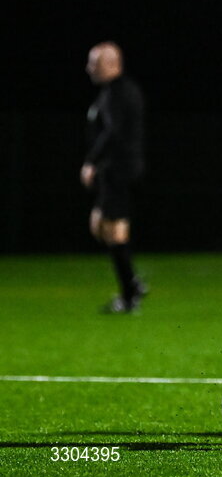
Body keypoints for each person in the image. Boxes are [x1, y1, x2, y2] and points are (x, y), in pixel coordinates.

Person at [81, 41, 147, 313]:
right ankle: (131, 285)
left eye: (94, 63)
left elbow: (113, 132)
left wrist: (91, 162)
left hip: (118, 170)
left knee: (111, 228)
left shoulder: (119, 92)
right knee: (104, 227)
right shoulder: (113, 92)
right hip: (116, 170)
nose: (89, 68)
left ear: (110, 64)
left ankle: (130, 292)